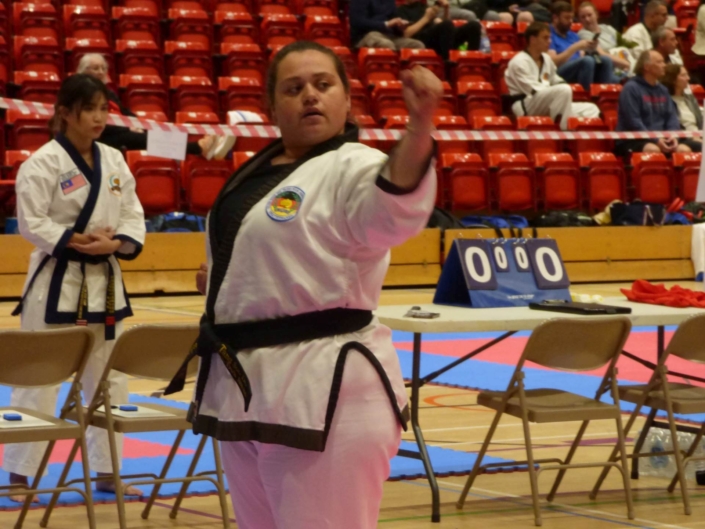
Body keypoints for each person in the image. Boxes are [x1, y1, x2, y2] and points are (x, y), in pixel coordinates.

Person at [164, 40, 440, 529]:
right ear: (272, 107)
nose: (309, 95)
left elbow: (391, 205)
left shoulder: (353, 166)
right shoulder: (257, 171)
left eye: (322, 84)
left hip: (326, 390)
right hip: (248, 388)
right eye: (293, 89)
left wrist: (419, 130)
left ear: (347, 99)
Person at [3, 74, 146, 501]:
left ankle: (107, 470)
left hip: (104, 281)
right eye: (89, 109)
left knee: (110, 380)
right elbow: (31, 222)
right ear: (65, 113)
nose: (99, 118)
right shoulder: (43, 162)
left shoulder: (114, 160)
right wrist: (76, 239)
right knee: (39, 378)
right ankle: (20, 476)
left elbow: (133, 214)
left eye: (104, 109)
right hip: (57, 280)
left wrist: (116, 244)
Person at [77, 54, 234, 160]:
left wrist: (138, 124)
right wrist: (128, 128)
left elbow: (124, 112)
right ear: (83, 72)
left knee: (157, 131)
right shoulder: (82, 93)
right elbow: (93, 121)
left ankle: (204, 148)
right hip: (104, 136)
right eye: (95, 68)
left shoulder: (108, 92)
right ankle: (199, 147)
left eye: (103, 68)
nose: (101, 72)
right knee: (147, 139)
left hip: (121, 131)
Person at [506, 21, 600, 129]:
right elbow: (532, 90)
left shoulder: (546, 58)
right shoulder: (518, 62)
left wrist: (561, 89)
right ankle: (563, 132)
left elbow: (554, 78)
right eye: (545, 38)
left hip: (547, 100)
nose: (549, 41)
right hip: (526, 104)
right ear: (532, 39)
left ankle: (575, 135)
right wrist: (558, 92)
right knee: (563, 90)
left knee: (591, 109)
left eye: (549, 37)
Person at [615, 50, 696, 156]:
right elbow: (633, 122)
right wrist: (656, 139)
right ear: (647, 67)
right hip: (633, 139)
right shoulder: (631, 88)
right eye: (659, 62)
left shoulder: (663, 90)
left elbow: (672, 117)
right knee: (653, 150)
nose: (664, 65)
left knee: (683, 150)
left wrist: (673, 136)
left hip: (661, 138)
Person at [549, 2, 619, 91]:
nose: (570, 21)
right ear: (555, 18)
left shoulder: (573, 35)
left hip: (580, 69)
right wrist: (575, 47)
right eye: (566, 18)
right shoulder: (549, 35)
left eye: (571, 18)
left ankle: (606, 96)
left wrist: (591, 47)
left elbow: (581, 55)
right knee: (587, 61)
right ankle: (586, 95)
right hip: (560, 72)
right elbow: (553, 62)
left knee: (605, 60)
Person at [396, 0, 483, 59]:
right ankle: (448, 63)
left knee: (474, 26)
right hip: (422, 39)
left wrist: (446, 9)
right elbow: (406, 34)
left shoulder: (424, 7)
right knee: (446, 25)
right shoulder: (401, 10)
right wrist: (426, 18)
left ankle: (472, 61)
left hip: (441, 37)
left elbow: (447, 25)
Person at [576, 2, 632, 73]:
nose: (587, 19)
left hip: (622, 60)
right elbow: (601, 54)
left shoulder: (607, 28)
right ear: (580, 20)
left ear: (596, 14)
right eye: (583, 17)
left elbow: (624, 43)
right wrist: (627, 64)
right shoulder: (582, 34)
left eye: (589, 15)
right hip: (607, 67)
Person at [349, 0, 424, 50]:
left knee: (417, 45)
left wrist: (399, 27)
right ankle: (392, 69)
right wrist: (386, 24)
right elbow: (358, 22)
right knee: (386, 44)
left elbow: (393, 22)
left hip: (388, 35)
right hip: (366, 35)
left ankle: (412, 70)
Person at [661, 63, 703, 145]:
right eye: (683, 75)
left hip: (698, 136)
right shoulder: (666, 100)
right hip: (683, 138)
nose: (688, 78)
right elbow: (672, 125)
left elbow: (700, 121)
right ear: (673, 80)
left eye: (687, 75)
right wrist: (692, 137)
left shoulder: (690, 98)